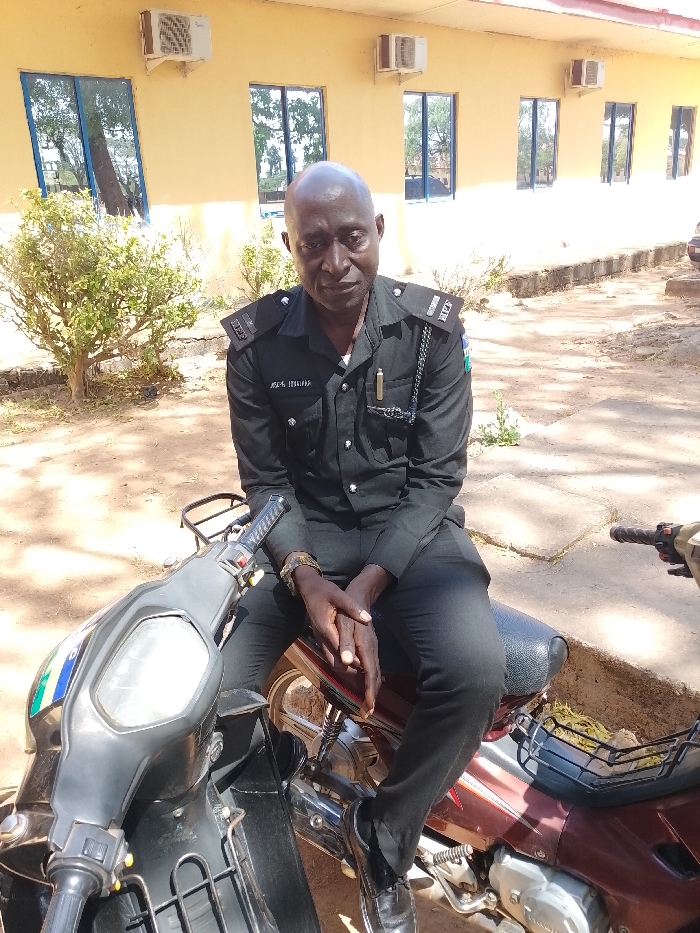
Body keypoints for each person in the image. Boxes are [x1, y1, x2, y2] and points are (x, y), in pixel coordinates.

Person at [221, 161, 506, 933]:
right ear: (289, 245)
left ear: (378, 231)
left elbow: (436, 477)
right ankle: (270, 795)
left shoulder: (430, 331)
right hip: (303, 541)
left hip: (410, 539)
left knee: (476, 670)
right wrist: (308, 579)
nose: (335, 261)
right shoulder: (255, 344)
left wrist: (366, 593)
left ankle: (383, 835)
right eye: (314, 243)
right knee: (220, 687)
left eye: (351, 237)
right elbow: (267, 483)